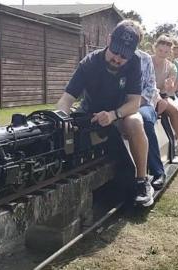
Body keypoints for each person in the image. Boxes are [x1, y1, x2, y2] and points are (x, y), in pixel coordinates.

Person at [56, 20, 154, 207]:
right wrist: (62, 117)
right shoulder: (89, 63)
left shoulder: (135, 64)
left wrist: (113, 115)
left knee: (135, 122)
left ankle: (142, 180)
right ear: (109, 40)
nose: (117, 59)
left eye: (123, 56)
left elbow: (134, 102)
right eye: (115, 52)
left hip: (121, 112)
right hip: (91, 111)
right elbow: (67, 99)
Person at [151, 35, 178, 155]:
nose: (162, 54)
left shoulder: (171, 67)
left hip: (162, 96)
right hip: (146, 95)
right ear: (155, 48)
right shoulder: (146, 61)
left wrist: (169, 87)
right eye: (160, 50)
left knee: (175, 111)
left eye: (166, 52)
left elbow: (170, 87)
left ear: (169, 52)